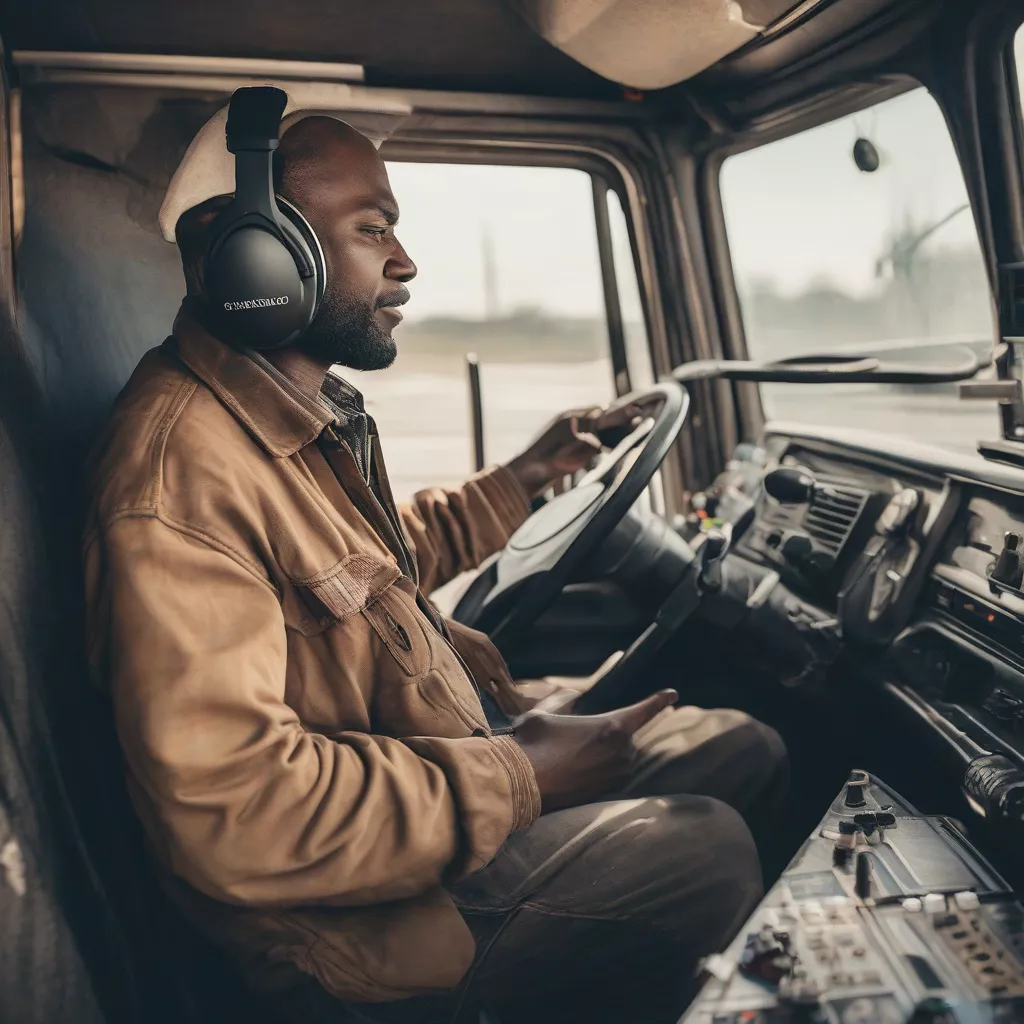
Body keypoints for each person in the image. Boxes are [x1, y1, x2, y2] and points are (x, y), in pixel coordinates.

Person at [84, 93, 788, 1024]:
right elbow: (236, 809)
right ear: (262, 258)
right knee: (708, 846)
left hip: (411, 816)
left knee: (740, 747)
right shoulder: (180, 476)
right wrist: (520, 776)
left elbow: (356, 574)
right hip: (344, 939)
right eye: (374, 229)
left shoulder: (284, 419)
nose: (407, 262)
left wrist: (525, 477)